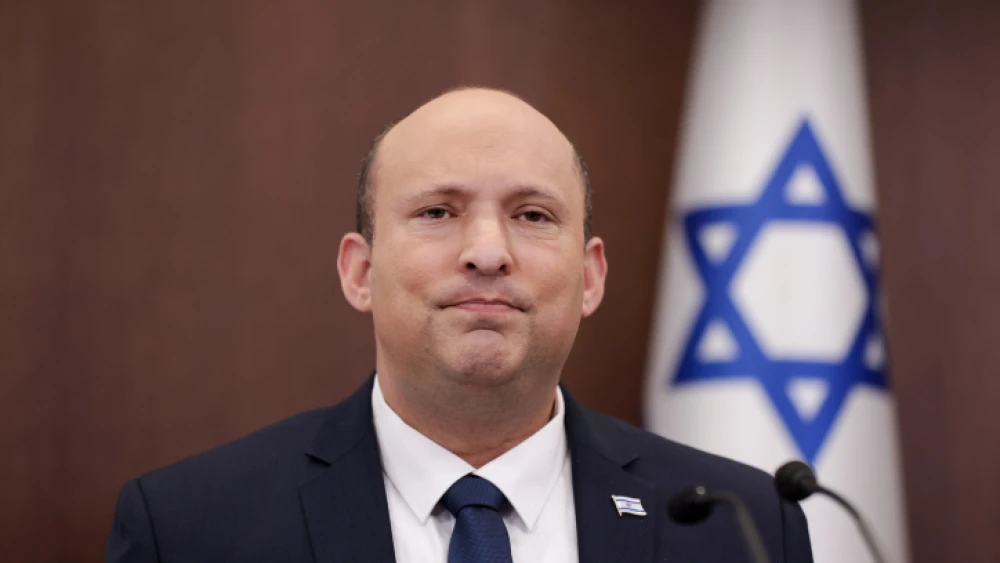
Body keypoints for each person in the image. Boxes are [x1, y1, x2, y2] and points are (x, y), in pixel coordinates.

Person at [106, 87, 813, 562]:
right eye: (437, 212)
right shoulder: (191, 528)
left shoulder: (742, 525)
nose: (486, 252)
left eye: (532, 215)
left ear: (592, 275)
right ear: (359, 271)